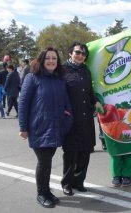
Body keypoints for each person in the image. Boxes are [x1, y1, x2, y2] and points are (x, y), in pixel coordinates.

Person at [18, 47, 73, 208]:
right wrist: (23, 127)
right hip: (39, 127)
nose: (51, 61)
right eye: (48, 58)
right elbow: (23, 103)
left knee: (47, 161)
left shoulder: (60, 79)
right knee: (44, 162)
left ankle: (47, 191)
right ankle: (41, 193)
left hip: (56, 127)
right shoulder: (32, 77)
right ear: (42, 60)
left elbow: (66, 101)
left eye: (54, 59)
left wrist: (68, 116)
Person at [61, 42, 103, 196]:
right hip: (70, 119)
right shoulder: (63, 70)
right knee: (71, 154)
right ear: (71, 53)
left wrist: (96, 101)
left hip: (86, 118)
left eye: (83, 54)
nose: (80, 55)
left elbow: (89, 91)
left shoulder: (86, 70)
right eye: (77, 52)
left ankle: (79, 182)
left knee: (85, 152)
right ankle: (67, 183)